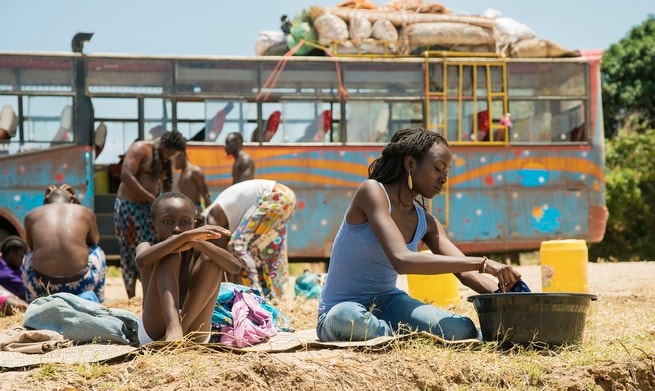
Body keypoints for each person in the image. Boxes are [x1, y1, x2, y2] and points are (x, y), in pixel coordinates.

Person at [316, 128, 523, 342]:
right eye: (438, 168)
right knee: (348, 319)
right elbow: (402, 261)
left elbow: (465, 271)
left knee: (461, 330)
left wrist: (512, 298)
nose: (443, 178)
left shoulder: (427, 223)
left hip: (389, 303)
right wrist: (484, 263)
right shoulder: (372, 192)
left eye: (447, 172)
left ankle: (386, 334)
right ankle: (400, 335)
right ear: (410, 164)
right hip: (342, 309)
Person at [135, 191, 241, 344]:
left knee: (211, 260)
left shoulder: (199, 250)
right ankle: (173, 327)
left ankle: (179, 332)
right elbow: (141, 261)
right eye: (167, 222)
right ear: (153, 226)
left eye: (185, 223)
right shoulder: (147, 247)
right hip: (154, 330)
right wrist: (184, 237)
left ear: (194, 225)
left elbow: (234, 267)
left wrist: (197, 241)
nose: (177, 229)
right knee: (170, 254)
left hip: (194, 329)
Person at [114, 130, 187, 299]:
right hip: (129, 208)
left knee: (152, 249)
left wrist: (168, 204)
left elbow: (168, 185)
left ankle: (149, 293)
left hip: (149, 209)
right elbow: (126, 175)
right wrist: (152, 198)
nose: (169, 157)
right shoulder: (141, 149)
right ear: (162, 145)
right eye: (169, 152)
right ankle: (131, 297)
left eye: (173, 155)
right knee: (129, 251)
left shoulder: (165, 160)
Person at [203, 179, 296, 299]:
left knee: (237, 246)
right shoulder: (217, 209)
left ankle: (255, 297)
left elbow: (224, 261)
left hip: (276, 197)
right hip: (286, 198)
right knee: (256, 252)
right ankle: (271, 297)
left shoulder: (211, 218)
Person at [22, 184, 107, 303]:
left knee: (28, 256)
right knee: (97, 251)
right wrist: (78, 203)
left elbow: (31, 247)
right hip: (81, 284)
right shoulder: (85, 212)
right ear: (72, 200)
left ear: (46, 201)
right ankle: (98, 303)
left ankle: (32, 304)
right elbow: (94, 241)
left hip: (42, 286)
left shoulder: (31, 215)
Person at [0, 236, 27, 300]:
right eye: (22, 256)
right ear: (12, 254)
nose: (23, 260)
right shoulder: (5, 274)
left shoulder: (16, 267)